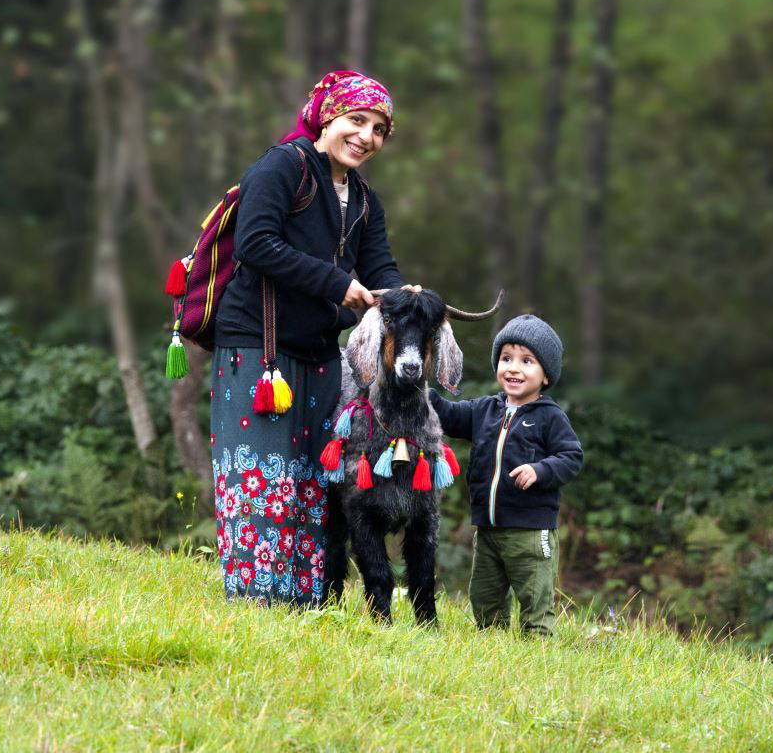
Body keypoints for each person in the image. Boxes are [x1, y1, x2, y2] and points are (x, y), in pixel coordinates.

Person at [211, 70, 408, 606]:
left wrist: (402, 297)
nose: (366, 137)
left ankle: (305, 605)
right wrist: (338, 284)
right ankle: (256, 603)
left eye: (379, 129)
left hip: (322, 354)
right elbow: (255, 244)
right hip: (257, 346)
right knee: (261, 475)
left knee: (312, 481)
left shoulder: (364, 199)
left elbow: (380, 268)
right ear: (326, 117)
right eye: (356, 120)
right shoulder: (282, 167)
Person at [429, 314, 584, 635]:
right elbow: (447, 415)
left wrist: (540, 470)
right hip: (488, 528)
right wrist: (421, 391)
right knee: (484, 596)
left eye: (527, 361)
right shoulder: (485, 409)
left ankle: (537, 643)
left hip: (531, 531)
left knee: (535, 597)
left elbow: (571, 457)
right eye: (506, 358)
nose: (513, 368)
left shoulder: (550, 417)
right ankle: (492, 640)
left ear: (546, 375)